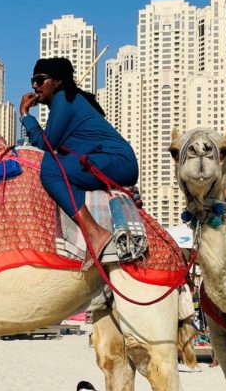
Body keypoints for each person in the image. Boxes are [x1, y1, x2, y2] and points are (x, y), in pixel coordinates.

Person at [19, 57, 139, 263]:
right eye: (33, 80)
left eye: (40, 80)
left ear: (58, 82)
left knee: (50, 169)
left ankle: (95, 232)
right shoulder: (66, 101)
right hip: (106, 160)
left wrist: (25, 114)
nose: (34, 86)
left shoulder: (63, 99)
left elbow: (45, 144)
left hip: (116, 161)